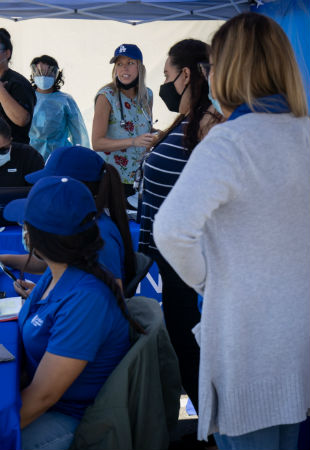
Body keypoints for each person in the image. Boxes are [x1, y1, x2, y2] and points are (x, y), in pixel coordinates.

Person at [153, 13, 310, 450]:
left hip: (247, 344)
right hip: (298, 337)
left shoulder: (230, 141)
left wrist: (211, 282)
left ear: (228, 69)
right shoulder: (304, 133)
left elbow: (170, 230)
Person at [3, 176, 142, 450]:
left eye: (24, 224)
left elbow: (44, 397)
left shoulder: (86, 299)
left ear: (38, 236)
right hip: (49, 402)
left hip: (70, 418)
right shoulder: (60, 272)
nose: (22, 230)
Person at [138, 39, 223, 415]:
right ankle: (210, 425)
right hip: (171, 267)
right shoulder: (187, 122)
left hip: (192, 270)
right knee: (184, 350)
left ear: (186, 75)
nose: (166, 84)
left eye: (168, 75)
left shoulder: (209, 126)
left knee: (193, 352)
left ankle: (216, 428)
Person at [0, 145, 135, 294]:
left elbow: (110, 299)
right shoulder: (77, 222)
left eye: (49, 185)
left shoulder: (99, 236)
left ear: (72, 187)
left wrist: (49, 300)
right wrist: (0, 259)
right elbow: (46, 263)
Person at [91, 44, 155, 205]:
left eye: (130, 63)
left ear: (140, 67)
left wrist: (157, 134)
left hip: (139, 179)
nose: (124, 68)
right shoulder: (106, 96)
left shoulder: (147, 95)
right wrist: (134, 141)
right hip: (112, 178)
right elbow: (97, 143)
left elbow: (141, 128)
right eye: (119, 64)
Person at [28, 55, 89, 160]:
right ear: (33, 73)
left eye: (49, 72)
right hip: (29, 156)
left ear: (56, 75)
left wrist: (82, 157)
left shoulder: (65, 101)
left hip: (60, 156)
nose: (43, 76)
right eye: (40, 71)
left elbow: (78, 132)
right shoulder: (26, 97)